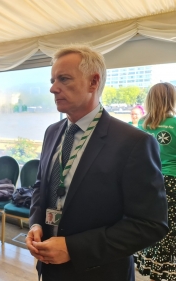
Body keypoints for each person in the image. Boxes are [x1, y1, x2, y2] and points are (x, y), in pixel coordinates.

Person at [26, 45, 168, 281]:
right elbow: (41, 187)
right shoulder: (52, 132)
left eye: (64, 79)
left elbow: (151, 225)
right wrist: (35, 224)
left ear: (93, 82)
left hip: (100, 272)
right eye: (52, 80)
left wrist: (73, 248)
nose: (53, 88)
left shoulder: (134, 142)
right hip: (49, 268)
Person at [136, 82, 176, 281]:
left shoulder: (141, 124)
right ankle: (164, 272)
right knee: (169, 230)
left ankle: (149, 266)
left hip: (147, 180)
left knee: (150, 224)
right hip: (171, 181)